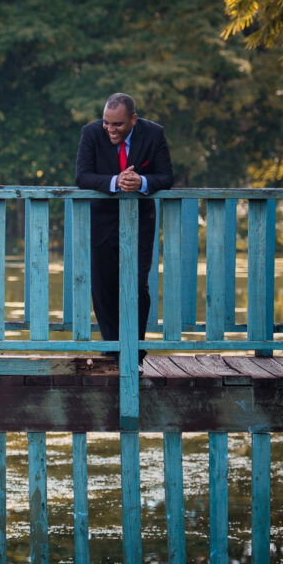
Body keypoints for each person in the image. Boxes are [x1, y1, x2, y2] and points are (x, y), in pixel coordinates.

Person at [75, 93, 174, 368]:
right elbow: (82, 176)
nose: (110, 129)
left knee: (137, 284)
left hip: (140, 220)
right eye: (107, 123)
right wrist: (115, 181)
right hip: (102, 221)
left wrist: (141, 181)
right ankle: (112, 351)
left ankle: (135, 352)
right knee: (103, 285)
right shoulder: (91, 133)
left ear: (133, 119)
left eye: (117, 124)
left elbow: (166, 176)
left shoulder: (154, 134)